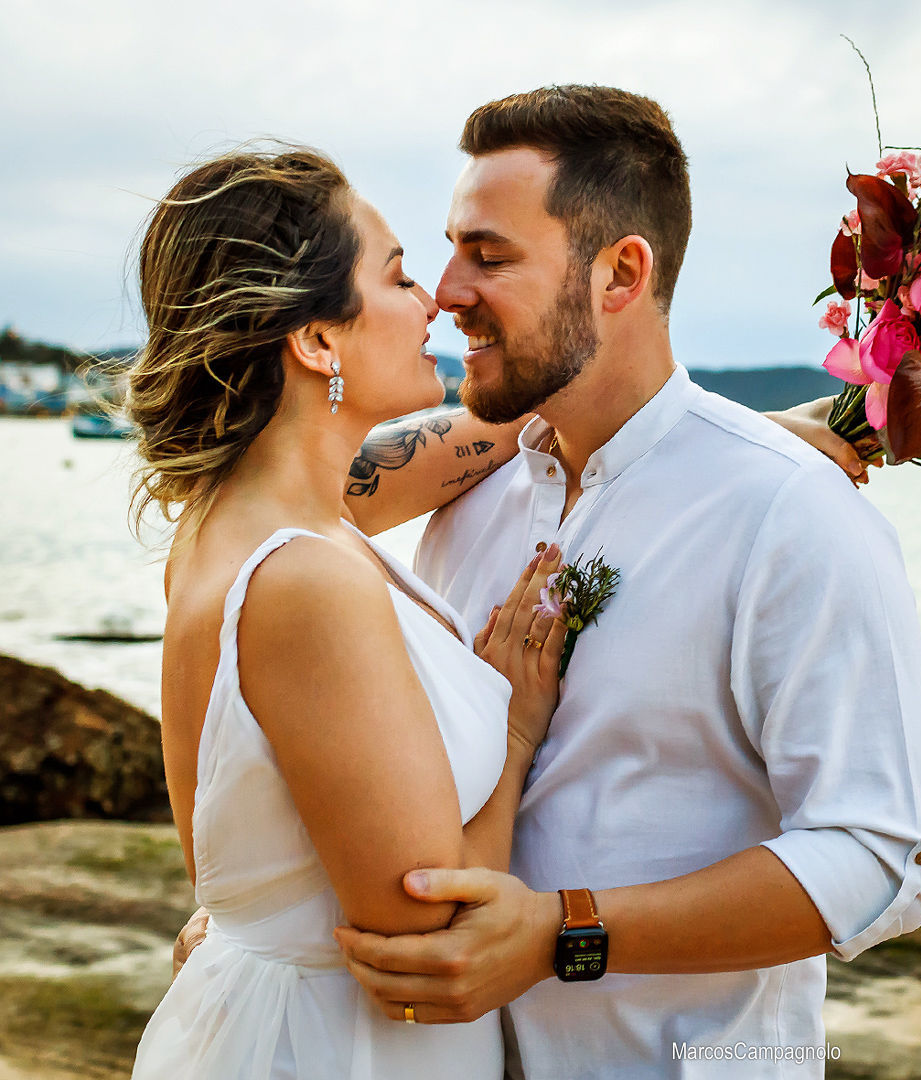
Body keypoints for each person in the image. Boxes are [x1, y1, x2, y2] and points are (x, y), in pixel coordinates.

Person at [128, 145, 856, 1079]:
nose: (433, 296)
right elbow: (430, 942)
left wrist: (740, 438)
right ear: (316, 341)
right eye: (395, 276)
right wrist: (512, 731)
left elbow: (556, 418)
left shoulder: (231, 519)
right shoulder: (308, 576)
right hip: (352, 1048)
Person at [326, 86, 921, 1078]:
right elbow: (284, 493)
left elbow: (878, 862)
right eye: (448, 251)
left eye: (487, 256)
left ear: (621, 273)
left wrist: (560, 935)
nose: (444, 291)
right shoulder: (462, 497)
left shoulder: (790, 512)